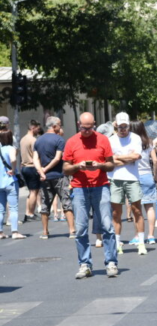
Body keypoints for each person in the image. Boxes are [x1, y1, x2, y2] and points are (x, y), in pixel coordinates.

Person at [63, 112, 118, 279]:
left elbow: (111, 165)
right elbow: (65, 168)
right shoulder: (72, 142)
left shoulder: (103, 139)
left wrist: (99, 165)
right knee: (80, 229)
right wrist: (77, 167)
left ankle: (111, 262)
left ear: (94, 124)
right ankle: (85, 264)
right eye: (83, 128)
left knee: (107, 225)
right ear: (79, 124)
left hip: (101, 186)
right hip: (79, 188)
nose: (86, 131)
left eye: (90, 127)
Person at [108, 113, 146, 256]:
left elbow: (136, 156)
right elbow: (110, 161)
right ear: (116, 125)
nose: (123, 129)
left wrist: (118, 157)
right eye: (120, 126)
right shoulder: (111, 140)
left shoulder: (135, 138)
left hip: (132, 178)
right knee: (116, 213)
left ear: (129, 125)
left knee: (137, 211)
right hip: (115, 178)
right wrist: (126, 158)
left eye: (125, 126)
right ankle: (117, 244)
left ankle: (141, 243)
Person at [34, 117, 75, 240]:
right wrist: (45, 170)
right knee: (66, 202)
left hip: (45, 178)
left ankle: (45, 232)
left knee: (45, 203)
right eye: (60, 125)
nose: (60, 128)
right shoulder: (59, 140)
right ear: (55, 126)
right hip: (59, 175)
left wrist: (41, 171)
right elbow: (57, 158)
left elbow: (35, 159)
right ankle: (72, 230)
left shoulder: (38, 140)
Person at [129, 121, 157, 245]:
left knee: (136, 208)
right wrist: (155, 175)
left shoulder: (130, 143)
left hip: (134, 175)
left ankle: (137, 236)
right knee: (149, 207)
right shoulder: (149, 142)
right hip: (147, 175)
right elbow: (155, 160)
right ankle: (151, 236)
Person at [0, 130, 25, 240]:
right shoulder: (11, 149)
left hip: (0, 182)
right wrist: (13, 169)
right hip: (10, 181)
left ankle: (0, 232)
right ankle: (14, 232)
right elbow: (13, 159)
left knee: (1, 209)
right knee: (13, 207)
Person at [19, 120, 42, 222]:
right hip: (32, 167)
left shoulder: (23, 139)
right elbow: (36, 155)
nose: (39, 130)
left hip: (24, 167)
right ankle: (30, 214)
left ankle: (28, 212)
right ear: (33, 128)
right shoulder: (33, 140)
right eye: (37, 128)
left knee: (30, 191)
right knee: (34, 192)